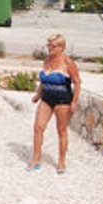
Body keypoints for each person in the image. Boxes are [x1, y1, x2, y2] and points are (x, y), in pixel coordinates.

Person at [31, 33, 83, 173]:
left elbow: (77, 82)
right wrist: (38, 94)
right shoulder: (47, 60)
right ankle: (36, 159)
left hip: (63, 100)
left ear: (61, 47)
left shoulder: (68, 62)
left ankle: (61, 161)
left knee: (61, 130)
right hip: (47, 98)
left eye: (53, 46)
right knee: (38, 127)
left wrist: (74, 102)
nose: (50, 48)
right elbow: (44, 80)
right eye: (49, 45)